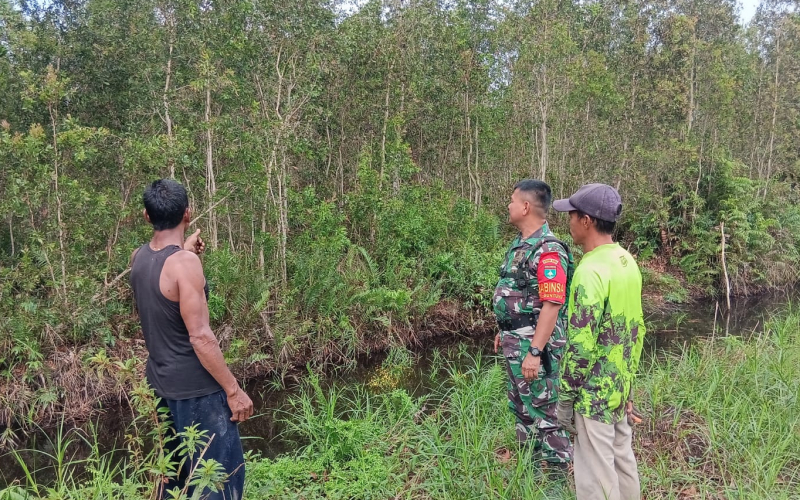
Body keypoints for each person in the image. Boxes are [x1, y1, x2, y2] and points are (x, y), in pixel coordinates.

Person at [130, 179, 253, 500]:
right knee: (218, 480)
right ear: (188, 213)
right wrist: (233, 390)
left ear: (147, 216)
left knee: (174, 476)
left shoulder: (139, 258)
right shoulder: (185, 265)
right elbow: (200, 336)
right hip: (197, 391)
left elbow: (162, 292)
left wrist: (183, 252)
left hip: (160, 384)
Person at [553, 183, 646, 500]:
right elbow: (636, 329)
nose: (569, 221)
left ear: (587, 220)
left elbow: (580, 345)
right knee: (622, 461)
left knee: (596, 474)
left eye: (572, 215)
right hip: (619, 387)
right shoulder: (626, 261)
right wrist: (628, 385)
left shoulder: (589, 269)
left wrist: (565, 398)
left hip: (593, 394)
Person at [492, 179, 574, 467]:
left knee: (545, 411)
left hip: (534, 346)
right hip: (516, 340)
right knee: (522, 408)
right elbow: (518, 292)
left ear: (525, 206)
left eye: (512, 200)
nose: (509, 205)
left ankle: (555, 479)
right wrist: (504, 329)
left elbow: (552, 305)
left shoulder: (549, 250)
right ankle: (529, 474)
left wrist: (535, 352)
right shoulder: (520, 246)